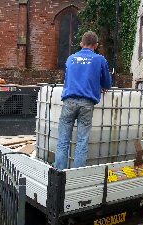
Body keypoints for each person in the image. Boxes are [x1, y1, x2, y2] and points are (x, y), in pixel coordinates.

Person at [55, 31, 112, 170]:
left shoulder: (70, 59)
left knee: (63, 140)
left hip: (69, 101)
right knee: (82, 141)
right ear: (96, 45)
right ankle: (76, 175)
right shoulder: (100, 60)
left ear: (81, 44)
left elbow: (68, 78)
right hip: (87, 103)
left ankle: (58, 173)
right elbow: (107, 84)